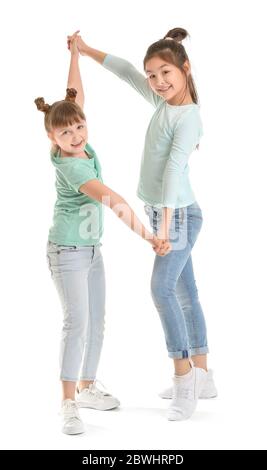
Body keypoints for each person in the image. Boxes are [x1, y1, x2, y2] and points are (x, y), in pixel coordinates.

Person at [67, 27, 217, 421]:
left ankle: (185, 380)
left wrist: (163, 228)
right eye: (153, 75)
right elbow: (125, 71)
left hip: (178, 215)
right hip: (166, 213)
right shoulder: (163, 103)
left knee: (161, 288)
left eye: (165, 73)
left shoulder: (187, 118)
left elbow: (172, 171)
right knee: (185, 291)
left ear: (185, 69)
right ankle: (204, 373)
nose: (157, 82)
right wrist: (84, 50)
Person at [35, 35, 170, 435]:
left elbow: (74, 93)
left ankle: (88, 384)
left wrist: (76, 52)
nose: (77, 136)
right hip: (67, 252)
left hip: (92, 250)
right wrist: (149, 236)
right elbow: (114, 200)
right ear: (52, 139)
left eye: (80, 126)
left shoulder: (78, 137)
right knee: (76, 323)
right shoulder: (73, 169)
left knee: (97, 322)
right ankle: (68, 403)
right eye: (66, 133)